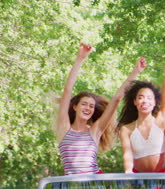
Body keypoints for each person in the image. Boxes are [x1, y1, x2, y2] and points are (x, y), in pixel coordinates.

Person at [55, 43, 146, 175]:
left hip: (94, 185)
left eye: (91, 106)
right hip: (72, 187)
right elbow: (67, 91)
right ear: (75, 107)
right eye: (84, 104)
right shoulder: (64, 128)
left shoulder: (95, 131)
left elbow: (116, 99)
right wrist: (80, 59)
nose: (88, 108)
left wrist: (135, 72)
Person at [118, 29, 165, 173]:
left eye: (149, 98)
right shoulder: (126, 129)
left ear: (154, 103)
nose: (145, 101)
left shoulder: (162, 120)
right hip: (137, 179)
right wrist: (128, 173)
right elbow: (127, 154)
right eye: (140, 97)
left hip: (159, 179)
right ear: (135, 102)